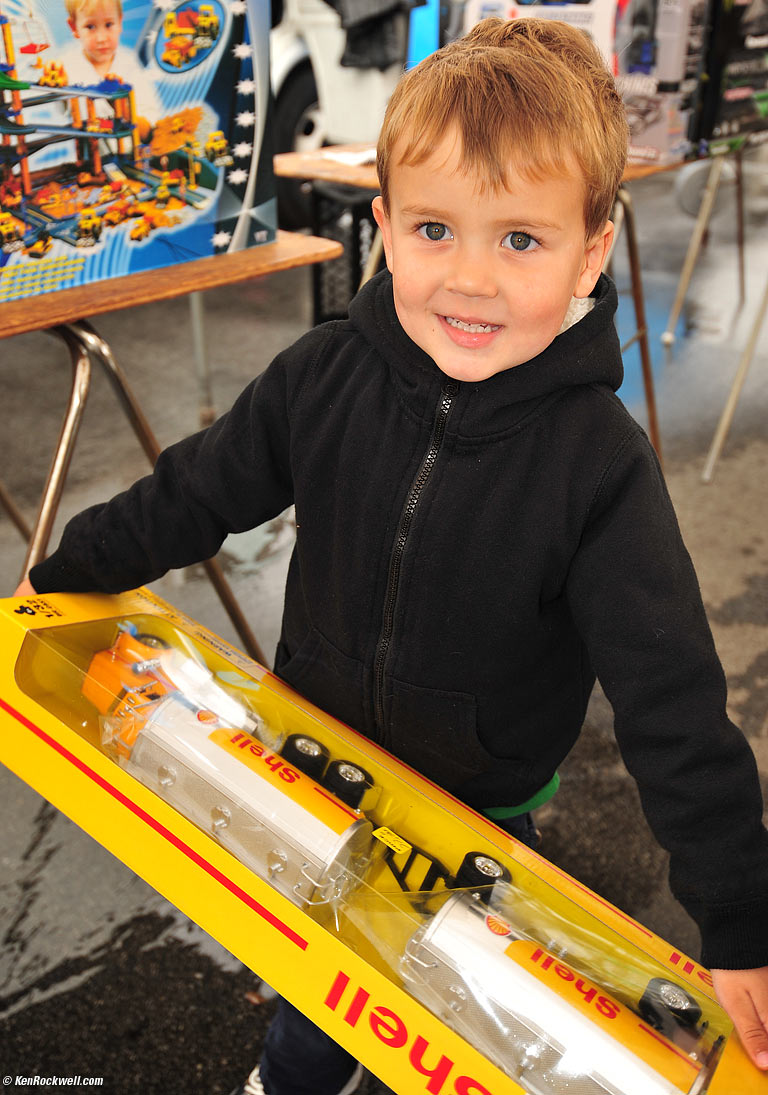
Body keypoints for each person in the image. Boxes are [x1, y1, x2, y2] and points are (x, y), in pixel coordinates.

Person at [15, 16, 768, 1095]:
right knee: (321, 983)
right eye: (433, 231)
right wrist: (72, 566)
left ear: (592, 250)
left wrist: (740, 917)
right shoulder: (325, 375)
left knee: (469, 1012)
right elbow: (199, 488)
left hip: (481, 814)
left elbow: (674, 700)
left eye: (521, 239)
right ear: (384, 224)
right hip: (309, 750)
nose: (468, 278)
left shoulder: (598, 464)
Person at [56, 0, 159, 140]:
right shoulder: (67, 67)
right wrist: (56, 85)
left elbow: (148, 129)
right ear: (74, 27)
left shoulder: (129, 64)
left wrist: (124, 111)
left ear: (120, 22)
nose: (101, 38)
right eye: (90, 26)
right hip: (90, 157)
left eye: (109, 25)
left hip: (130, 154)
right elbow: (61, 116)